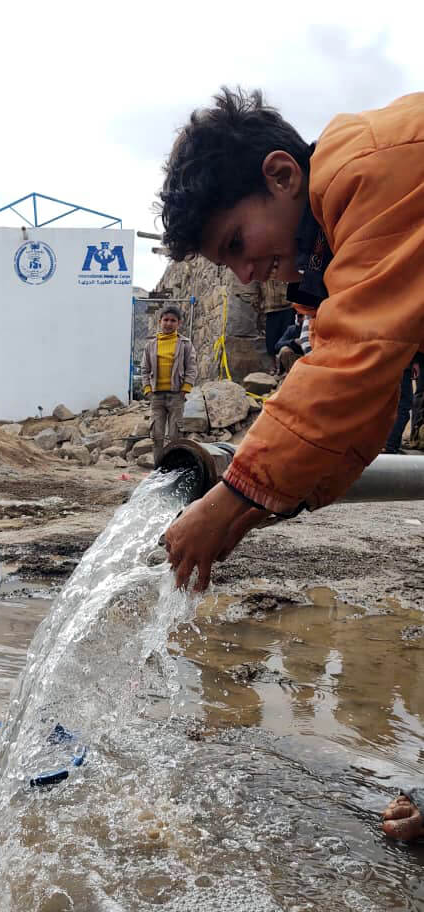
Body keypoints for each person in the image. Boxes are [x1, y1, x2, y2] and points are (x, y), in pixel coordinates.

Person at [157, 88, 424, 840]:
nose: (244, 276)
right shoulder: (337, 256)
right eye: (225, 263)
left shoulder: (371, 171)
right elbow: (362, 415)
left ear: (282, 175)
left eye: (237, 244)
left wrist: (232, 497)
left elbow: (351, 369)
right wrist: (258, 505)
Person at [141, 306, 197, 466]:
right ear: (160, 322)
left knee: (175, 436)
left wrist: (185, 390)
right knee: (157, 435)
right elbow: (145, 369)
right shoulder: (151, 345)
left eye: (173, 320)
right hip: (157, 397)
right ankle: (158, 470)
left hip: (176, 396)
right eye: (166, 320)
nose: (168, 323)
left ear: (179, 323)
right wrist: (148, 390)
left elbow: (192, 368)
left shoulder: (185, 344)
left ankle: (174, 469)